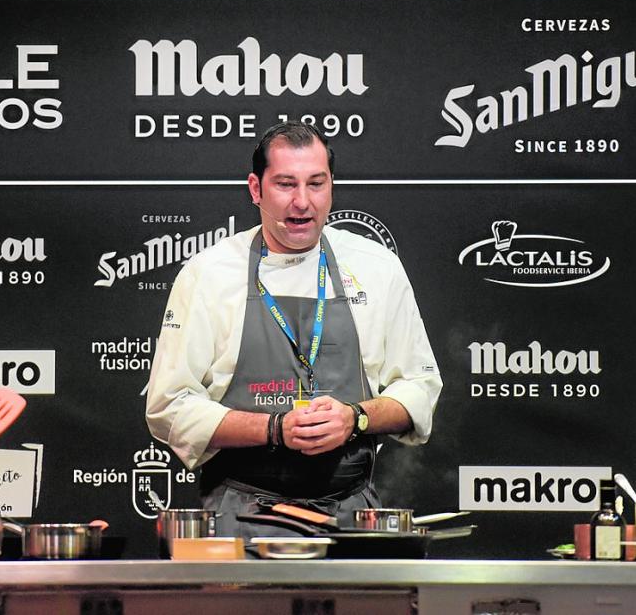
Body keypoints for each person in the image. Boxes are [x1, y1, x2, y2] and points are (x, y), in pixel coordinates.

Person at [146, 122, 442, 537]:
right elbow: (169, 406)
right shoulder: (209, 273)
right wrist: (273, 429)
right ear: (255, 189)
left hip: (351, 520)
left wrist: (354, 419)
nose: (302, 202)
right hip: (241, 520)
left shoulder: (377, 267)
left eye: (316, 184)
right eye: (286, 184)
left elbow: (419, 389)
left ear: (331, 186)